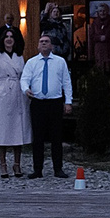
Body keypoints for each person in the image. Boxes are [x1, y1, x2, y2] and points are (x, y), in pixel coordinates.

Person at [22, 31, 73, 178]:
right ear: (38, 46)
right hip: (38, 103)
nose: (44, 43)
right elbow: (24, 79)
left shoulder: (60, 62)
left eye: (47, 41)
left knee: (56, 137)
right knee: (38, 138)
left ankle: (58, 169)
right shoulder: (31, 63)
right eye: (41, 41)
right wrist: (26, 89)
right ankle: (37, 169)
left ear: (51, 46)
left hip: (55, 103)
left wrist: (68, 102)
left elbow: (66, 82)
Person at [0, 26, 30, 178]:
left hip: (17, 93)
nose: (9, 39)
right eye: (6, 37)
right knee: (2, 130)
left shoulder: (19, 56)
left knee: (18, 130)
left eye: (11, 37)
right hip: (3, 94)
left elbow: (24, 75)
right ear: (2, 40)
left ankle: (17, 164)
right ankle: (3, 164)